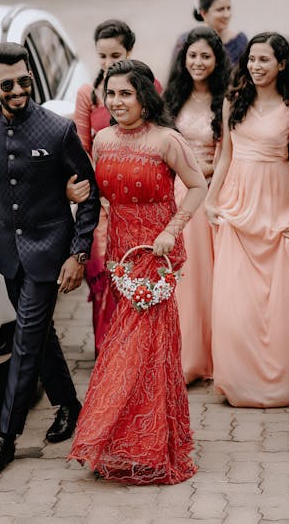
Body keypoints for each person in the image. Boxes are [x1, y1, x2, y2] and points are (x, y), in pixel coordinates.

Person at [0, 42, 100, 471]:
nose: (20, 89)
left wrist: (78, 252)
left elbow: (90, 194)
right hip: (8, 252)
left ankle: (5, 436)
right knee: (41, 334)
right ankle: (69, 405)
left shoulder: (57, 130)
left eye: (25, 80)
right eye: (9, 84)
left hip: (49, 250)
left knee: (25, 339)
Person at [69, 59, 207, 484]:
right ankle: (125, 440)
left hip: (157, 252)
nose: (117, 101)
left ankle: (136, 441)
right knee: (139, 348)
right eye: (111, 94)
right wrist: (75, 192)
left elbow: (198, 185)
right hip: (122, 253)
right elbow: (93, 190)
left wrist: (172, 229)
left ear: (145, 96)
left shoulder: (168, 140)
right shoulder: (104, 139)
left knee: (139, 346)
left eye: (126, 93)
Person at [205, 33, 289, 408]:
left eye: (265, 60)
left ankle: (283, 383)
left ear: (281, 64)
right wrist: (211, 199)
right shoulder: (233, 102)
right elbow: (224, 157)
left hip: (277, 202)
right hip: (237, 202)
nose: (256, 66)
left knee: (282, 299)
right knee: (237, 300)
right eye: (252, 59)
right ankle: (239, 381)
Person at [73, 19, 162, 356]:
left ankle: (139, 349)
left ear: (129, 52)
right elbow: (82, 150)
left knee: (138, 273)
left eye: (116, 54)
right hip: (100, 202)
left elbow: (159, 139)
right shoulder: (89, 95)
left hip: (139, 201)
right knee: (103, 276)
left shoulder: (149, 87)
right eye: (102, 56)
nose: (108, 63)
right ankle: (107, 348)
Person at [164, 26, 230, 384]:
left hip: (209, 191)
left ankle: (209, 354)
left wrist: (198, 173)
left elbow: (226, 154)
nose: (198, 62)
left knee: (207, 275)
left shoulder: (226, 99)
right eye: (192, 55)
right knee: (181, 278)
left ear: (217, 60)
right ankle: (184, 355)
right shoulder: (173, 97)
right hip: (174, 192)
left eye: (205, 56)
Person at [172, 0, 247, 67]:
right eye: (220, 9)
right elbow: (176, 74)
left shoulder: (239, 41)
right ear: (203, 13)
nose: (227, 14)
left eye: (228, 8)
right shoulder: (186, 40)